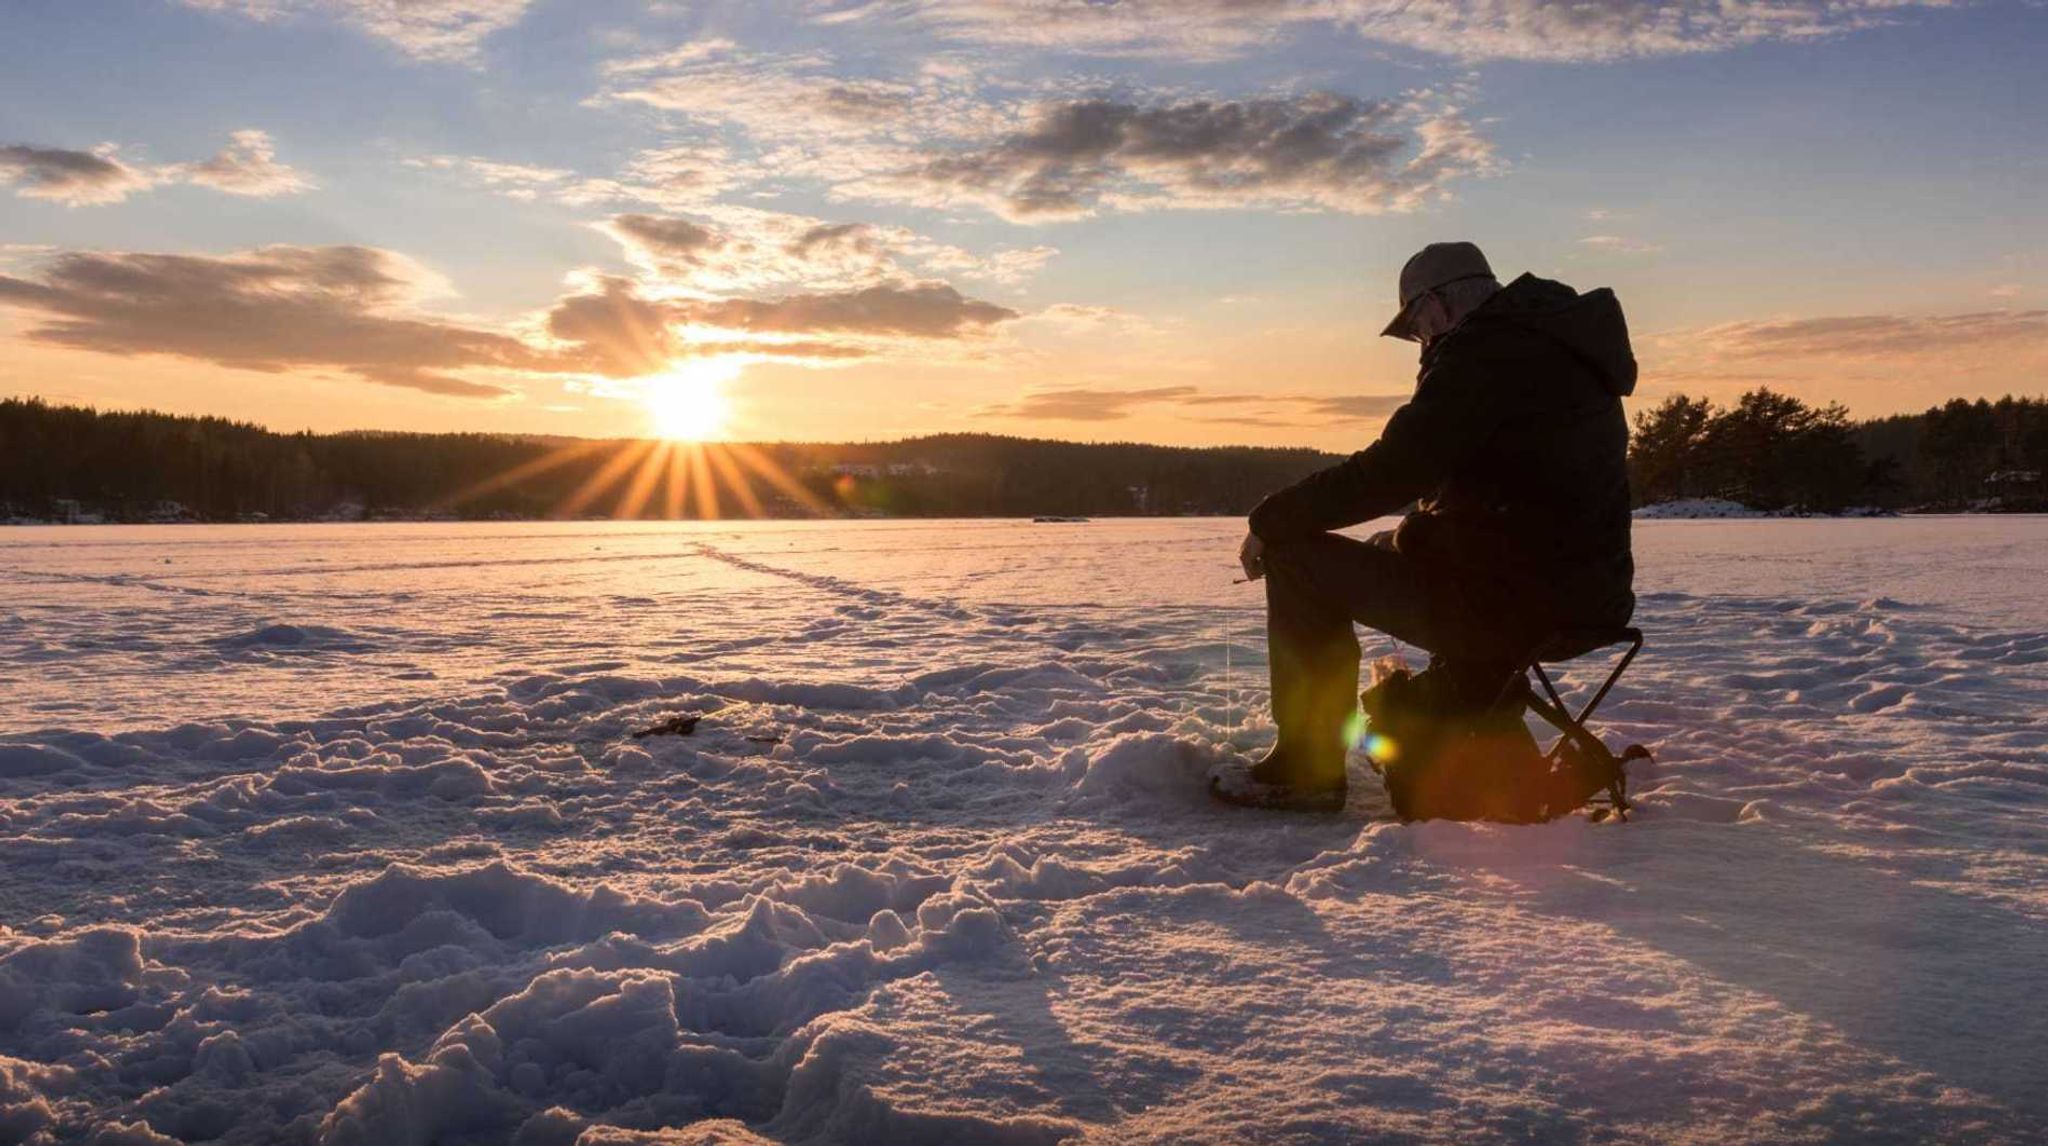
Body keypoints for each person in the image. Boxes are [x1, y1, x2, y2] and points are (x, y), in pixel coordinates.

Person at [1212, 241, 1638, 811]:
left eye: (1415, 327)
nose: (1420, 342)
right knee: (1381, 551)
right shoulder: (1555, 348)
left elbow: (1394, 470)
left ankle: (1306, 769)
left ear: (1435, 306)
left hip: (1507, 606)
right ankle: (1464, 730)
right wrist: (1403, 539)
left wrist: (1272, 518)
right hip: (1585, 599)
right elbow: (1503, 498)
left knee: (1298, 560)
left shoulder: (1486, 353)